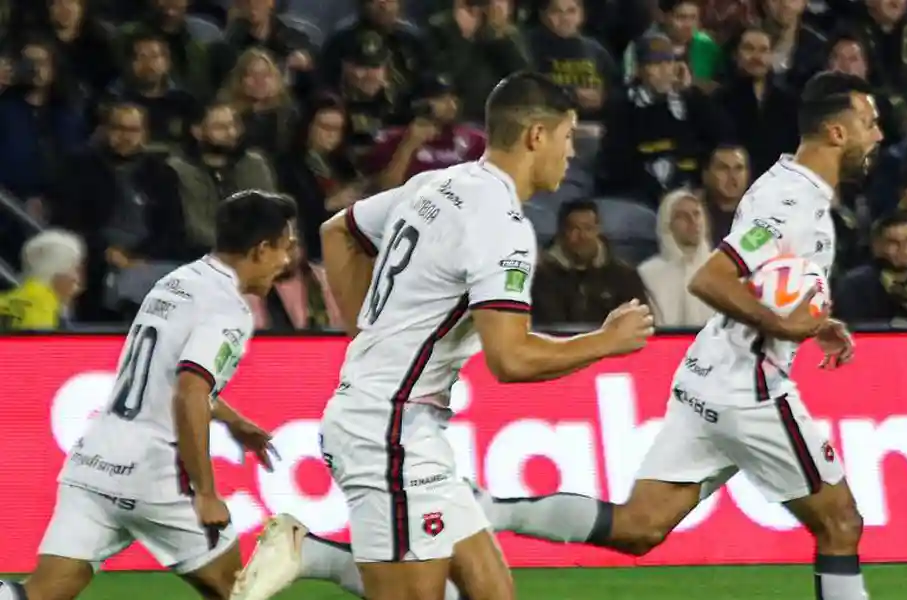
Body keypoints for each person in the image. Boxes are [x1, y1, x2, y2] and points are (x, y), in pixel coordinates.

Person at [231, 71, 654, 600]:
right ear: (536, 136)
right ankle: (311, 552)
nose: (572, 154)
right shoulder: (501, 223)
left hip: (403, 428)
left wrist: (367, 331)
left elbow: (338, 231)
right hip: (387, 434)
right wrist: (606, 341)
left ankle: (309, 552)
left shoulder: (438, 183)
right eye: (568, 136)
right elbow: (511, 358)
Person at [463, 70, 881, 600]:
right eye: (868, 122)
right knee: (840, 524)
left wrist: (810, 322)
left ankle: (487, 508)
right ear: (837, 133)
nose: (878, 134)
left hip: (708, 378)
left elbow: (764, 283)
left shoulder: (792, 188)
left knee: (641, 527)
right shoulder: (790, 203)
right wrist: (781, 325)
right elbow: (711, 277)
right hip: (748, 390)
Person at [0, 190, 298, 600]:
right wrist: (206, 493)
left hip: (94, 462)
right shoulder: (228, 308)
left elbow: (164, 375)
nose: (287, 261)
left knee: (40, 592)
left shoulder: (175, 281)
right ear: (262, 249)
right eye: (285, 248)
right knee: (239, 592)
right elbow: (189, 393)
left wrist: (233, 420)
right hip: (155, 475)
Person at [0, 229, 85, 330]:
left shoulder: (9, 299)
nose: (77, 279)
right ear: (55, 272)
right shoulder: (44, 309)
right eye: (74, 269)